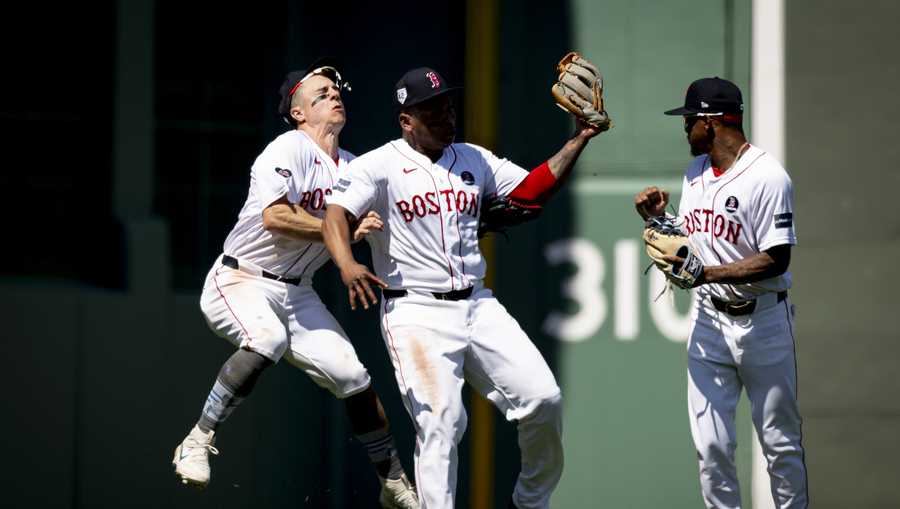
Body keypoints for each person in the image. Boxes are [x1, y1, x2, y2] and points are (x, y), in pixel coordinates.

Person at [321, 67, 604, 509]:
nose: (446, 117)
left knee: (543, 398)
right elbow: (335, 215)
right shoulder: (377, 166)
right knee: (442, 422)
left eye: (448, 106)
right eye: (432, 111)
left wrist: (580, 137)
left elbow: (529, 193)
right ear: (406, 120)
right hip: (415, 311)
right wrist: (346, 263)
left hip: (477, 304)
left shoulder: (473, 157)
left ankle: (530, 502)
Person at [171, 58, 419, 509]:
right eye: (320, 94)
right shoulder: (288, 147)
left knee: (353, 376)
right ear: (298, 112)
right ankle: (197, 438)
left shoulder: (354, 165)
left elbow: (399, 213)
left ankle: (393, 480)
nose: (333, 96)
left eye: (335, 91)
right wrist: (341, 228)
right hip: (241, 276)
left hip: (297, 290)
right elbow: (275, 217)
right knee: (266, 338)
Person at [634, 77, 808, 508]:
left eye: (690, 119)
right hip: (709, 320)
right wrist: (661, 221)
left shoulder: (768, 177)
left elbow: (776, 259)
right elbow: (696, 244)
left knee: (779, 444)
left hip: (764, 321)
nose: (685, 128)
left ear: (711, 122)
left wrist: (706, 274)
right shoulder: (695, 172)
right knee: (711, 448)